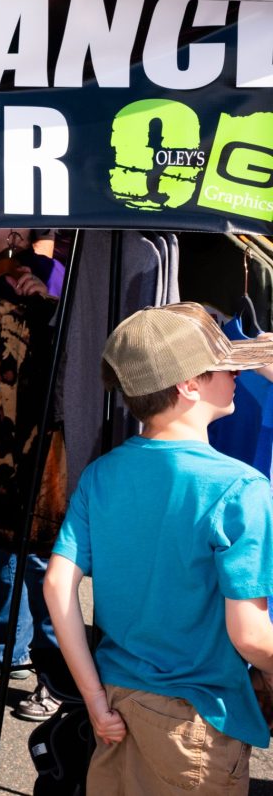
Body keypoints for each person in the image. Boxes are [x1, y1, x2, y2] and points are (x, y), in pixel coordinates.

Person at [45, 302, 273, 792]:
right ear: (189, 385)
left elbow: (56, 583)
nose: (237, 372)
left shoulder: (101, 474)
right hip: (196, 725)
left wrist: (93, 699)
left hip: (116, 708)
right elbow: (250, 634)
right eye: (225, 365)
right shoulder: (242, 489)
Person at [0, 228, 68, 724]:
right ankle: (7, 647)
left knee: (43, 558)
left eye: (23, 221)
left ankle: (59, 678)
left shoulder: (56, 275)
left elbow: (76, 355)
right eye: (3, 222)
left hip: (38, 438)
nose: (14, 233)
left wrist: (47, 304)